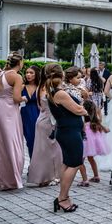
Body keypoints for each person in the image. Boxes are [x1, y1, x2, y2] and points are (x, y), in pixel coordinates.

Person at [45, 64, 86, 213]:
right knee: (75, 163)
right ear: (61, 74)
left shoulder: (53, 91)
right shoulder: (60, 93)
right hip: (69, 132)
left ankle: (63, 196)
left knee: (68, 163)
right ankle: (62, 198)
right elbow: (78, 110)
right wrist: (84, 109)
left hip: (66, 131)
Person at [0, 53, 25, 191]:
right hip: (10, 112)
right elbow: (16, 98)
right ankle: (13, 178)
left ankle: (3, 178)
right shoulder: (16, 76)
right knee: (14, 143)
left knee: (2, 145)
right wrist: (25, 98)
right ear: (20, 63)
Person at [27, 66, 62, 187]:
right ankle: (54, 176)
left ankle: (43, 176)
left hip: (41, 120)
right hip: (49, 121)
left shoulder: (40, 87)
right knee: (54, 149)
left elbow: (40, 107)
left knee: (42, 150)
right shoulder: (50, 88)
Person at [82, 100, 109, 184]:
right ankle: (96, 176)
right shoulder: (95, 122)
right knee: (91, 158)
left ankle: (85, 180)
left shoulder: (83, 122)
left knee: (79, 161)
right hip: (91, 144)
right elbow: (106, 130)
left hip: (85, 142)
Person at [20, 65, 41, 159]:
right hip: (25, 115)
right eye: (27, 72)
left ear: (36, 74)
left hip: (38, 114)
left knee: (39, 141)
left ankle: (38, 166)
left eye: (31, 73)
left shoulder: (40, 87)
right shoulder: (22, 87)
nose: (28, 75)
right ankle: (32, 165)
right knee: (30, 141)